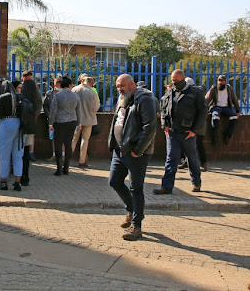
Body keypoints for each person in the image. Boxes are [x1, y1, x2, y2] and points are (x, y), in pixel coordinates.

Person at [108, 74, 158, 241]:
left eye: (122, 86)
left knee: (136, 188)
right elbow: (118, 120)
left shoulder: (145, 99)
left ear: (131, 84)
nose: (119, 89)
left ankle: (137, 226)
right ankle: (131, 209)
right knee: (114, 181)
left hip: (136, 153)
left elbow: (149, 127)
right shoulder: (123, 98)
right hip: (120, 151)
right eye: (117, 86)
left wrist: (138, 150)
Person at [154, 69, 206, 194]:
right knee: (171, 159)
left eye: (176, 80)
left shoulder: (195, 92)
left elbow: (203, 112)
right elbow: (164, 110)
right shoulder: (170, 92)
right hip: (172, 132)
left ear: (183, 78)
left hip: (188, 132)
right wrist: (164, 125)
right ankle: (166, 187)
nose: (174, 83)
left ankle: (196, 183)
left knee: (192, 159)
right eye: (172, 80)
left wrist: (194, 130)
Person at [0, 81, 24, 191]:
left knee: (4, 155)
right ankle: (18, 182)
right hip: (20, 126)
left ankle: (3, 181)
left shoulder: (2, 97)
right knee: (18, 155)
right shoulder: (20, 97)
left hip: (6, 123)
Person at [48, 76, 79, 176]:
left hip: (60, 122)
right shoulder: (75, 96)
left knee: (58, 144)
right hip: (72, 121)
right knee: (68, 143)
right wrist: (78, 123)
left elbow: (53, 111)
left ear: (61, 85)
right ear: (70, 85)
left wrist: (51, 124)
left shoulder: (58, 96)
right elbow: (78, 110)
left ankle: (59, 169)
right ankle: (66, 168)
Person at [179, 78, 208, 172]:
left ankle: (203, 163)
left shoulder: (196, 95)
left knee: (198, 144)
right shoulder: (195, 94)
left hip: (197, 125)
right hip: (192, 125)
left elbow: (201, 111)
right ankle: (187, 163)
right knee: (189, 145)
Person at [72, 76, 100, 168]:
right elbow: (96, 107)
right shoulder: (92, 92)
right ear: (91, 83)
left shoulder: (74, 89)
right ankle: (82, 161)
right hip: (88, 119)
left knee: (74, 139)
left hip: (76, 119)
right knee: (85, 140)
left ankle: (66, 159)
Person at [205, 74, 240, 145]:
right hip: (216, 107)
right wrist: (204, 109)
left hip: (227, 107)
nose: (220, 82)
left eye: (222, 81)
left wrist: (237, 110)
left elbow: (234, 99)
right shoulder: (214, 89)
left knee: (234, 117)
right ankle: (214, 137)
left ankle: (227, 135)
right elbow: (207, 99)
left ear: (225, 81)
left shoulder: (229, 89)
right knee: (215, 117)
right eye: (219, 81)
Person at [20, 78, 41, 186]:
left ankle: (19, 176)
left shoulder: (21, 99)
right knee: (27, 153)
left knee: (19, 153)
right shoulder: (35, 101)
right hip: (31, 128)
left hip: (21, 130)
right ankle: (26, 176)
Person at [21, 71, 42, 162]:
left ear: (23, 77)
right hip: (32, 113)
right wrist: (37, 112)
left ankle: (22, 152)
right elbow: (39, 99)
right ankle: (30, 153)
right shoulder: (35, 86)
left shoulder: (20, 86)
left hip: (22, 113)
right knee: (31, 134)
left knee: (22, 133)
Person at [42, 76, 63, 162]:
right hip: (52, 120)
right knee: (53, 137)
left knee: (62, 137)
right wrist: (48, 114)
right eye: (58, 85)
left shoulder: (63, 94)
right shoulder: (49, 94)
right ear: (55, 85)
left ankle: (62, 155)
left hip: (61, 119)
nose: (60, 87)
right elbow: (45, 105)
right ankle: (54, 154)